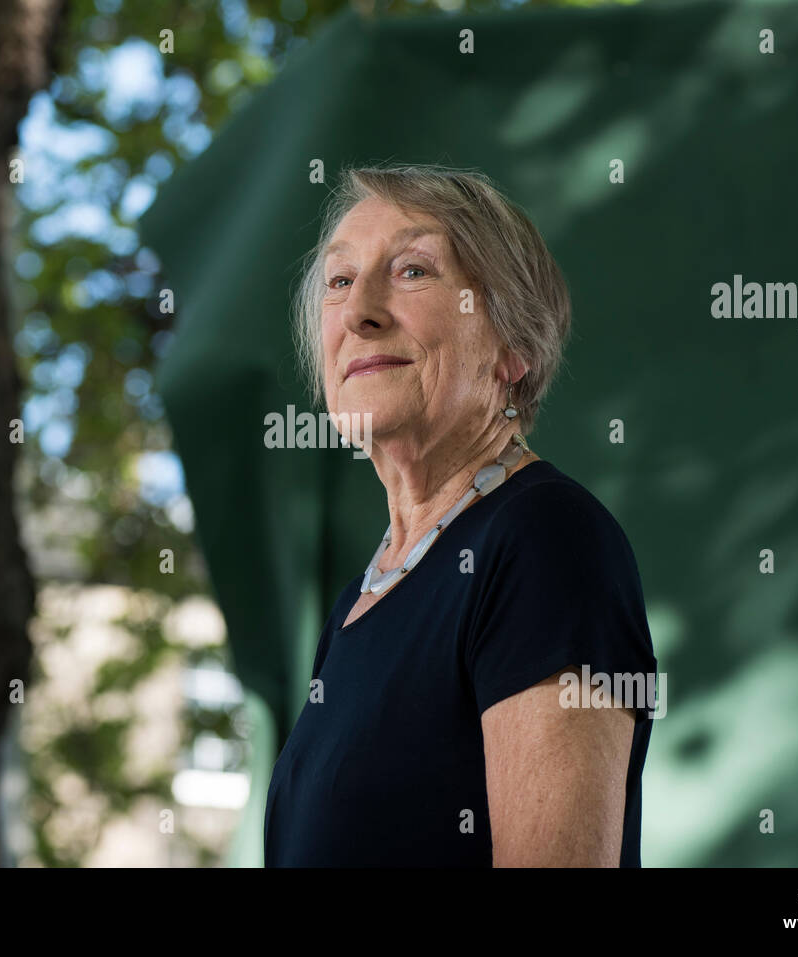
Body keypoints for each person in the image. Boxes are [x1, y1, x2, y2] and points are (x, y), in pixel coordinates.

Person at [264, 163, 659, 867]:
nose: (359, 311)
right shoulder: (364, 597)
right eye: (339, 280)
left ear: (514, 346)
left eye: (413, 270)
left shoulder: (544, 539)